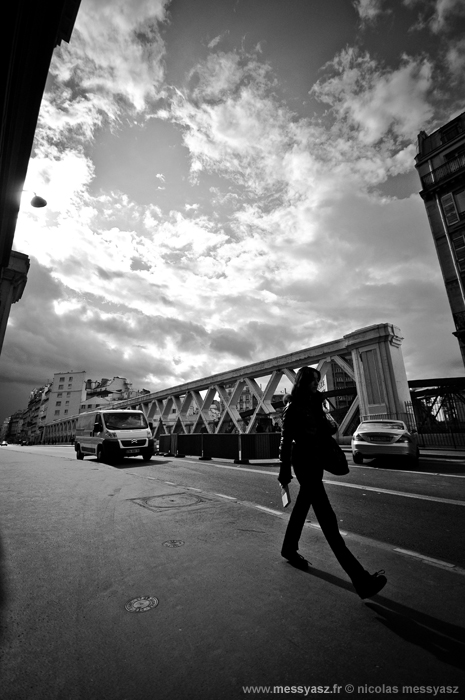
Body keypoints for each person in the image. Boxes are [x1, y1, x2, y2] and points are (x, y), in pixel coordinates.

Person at [278, 366, 387, 599]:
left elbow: (332, 428)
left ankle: (288, 548)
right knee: (328, 520)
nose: (316, 385)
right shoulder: (292, 407)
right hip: (304, 465)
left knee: (301, 508)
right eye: (312, 382)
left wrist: (321, 406)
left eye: (318, 381)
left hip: (317, 462)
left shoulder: (314, 404)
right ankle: (361, 579)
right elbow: (285, 441)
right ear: (302, 382)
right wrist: (283, 472)